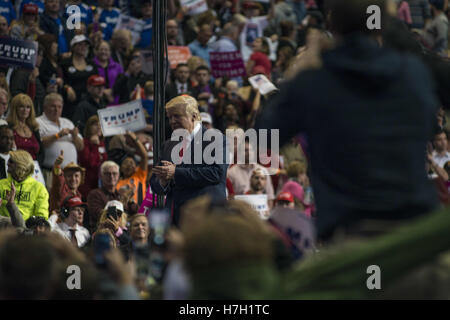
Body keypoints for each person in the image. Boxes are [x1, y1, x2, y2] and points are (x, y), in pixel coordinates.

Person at [255, 0, 440, 239]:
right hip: (416, 234)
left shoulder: (315, 80)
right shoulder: (413, 73)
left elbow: (264, 138)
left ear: (333, 25)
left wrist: (297, 75)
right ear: (381, 23)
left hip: (352, 240)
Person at [150, 95, 228, 227]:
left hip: (206, 216)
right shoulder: (168, 145)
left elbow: (217, 173)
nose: (172, 121)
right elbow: (155, 182)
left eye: (177, 116)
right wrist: (163, 182)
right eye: (170, 117)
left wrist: (176, 173)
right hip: (176, 220)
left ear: (194, 116)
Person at [36, 93, 84, 187]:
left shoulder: (68, 122)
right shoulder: (38, 122)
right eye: (53, 106)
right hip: (50, 171)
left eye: (59, 107)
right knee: (52, 199)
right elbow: (39, 144)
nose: (56, 110)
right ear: (45, 107)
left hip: (71, 173)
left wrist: (74, 136)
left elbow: (81, 146)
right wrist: (58, 135)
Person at [87, 161, 138, 231]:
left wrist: (130, 199)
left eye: (114, 173)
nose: (111, 176)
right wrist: (124, 199)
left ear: (119, 176)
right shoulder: (95, 194)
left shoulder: (121, 194)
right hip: (102, 233)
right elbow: (102, 216)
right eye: (107, 174)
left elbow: (135, 211)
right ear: (101, 176)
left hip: (123, 234)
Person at [0, 150, 49, 221]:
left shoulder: (39, 188)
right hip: (4, 229)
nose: (7, 163)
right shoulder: (1, 184)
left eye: (11, 161)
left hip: (27, 230)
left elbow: (41, 216)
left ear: (21, 164)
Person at [60, 35, 98, 119]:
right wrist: (67, 88)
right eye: (80, 44)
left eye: (85, 45)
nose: (83, 47)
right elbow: (61, 81)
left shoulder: (91, 63)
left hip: (89, 102)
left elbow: (97, 80)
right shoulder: (65, 63)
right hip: (71, 103)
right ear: (73, 47)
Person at [7, 94, 44, 166]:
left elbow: (41, 152)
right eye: (21, 106)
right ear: (15, 109)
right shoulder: (8, 127)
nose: (25, 110)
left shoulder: (34, 128)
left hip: (34, 168)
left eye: (28, 107)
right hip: (15, 167)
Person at [115, 131, 149, 205]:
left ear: (135, 167)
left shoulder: (139, 175)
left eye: (131, 163)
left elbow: (144, 156)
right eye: (126, 163)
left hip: (139, 212)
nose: (128, 165)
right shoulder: (116, 183)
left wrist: (134, 138)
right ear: (121, 168)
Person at [78, 115, 108, 198]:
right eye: (95, 125)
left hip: (101, 184)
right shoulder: (84, 143)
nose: (98, 127)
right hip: (87, 185)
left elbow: (104, 162)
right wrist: (95, 146)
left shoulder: (102, 143)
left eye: (100, 125)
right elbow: (90, 163)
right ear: (89, 128)